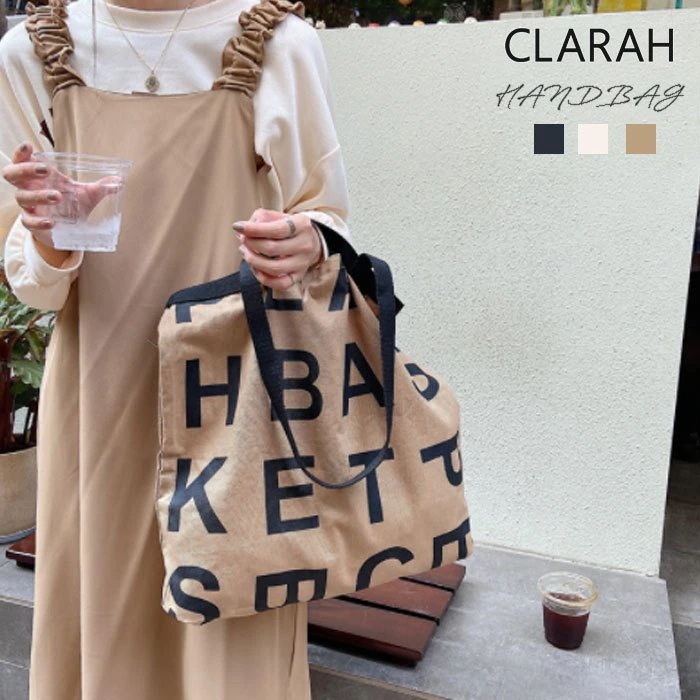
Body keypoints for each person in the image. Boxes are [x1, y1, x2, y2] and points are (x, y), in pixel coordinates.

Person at [0, 0, 350, 696]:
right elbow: (29, 283)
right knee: (106, 628)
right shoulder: (30, 56)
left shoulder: (280, 45)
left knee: (231, 646)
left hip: (241, 407)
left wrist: (308, 241)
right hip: (98, 408)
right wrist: (50, 239)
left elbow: (327, 215)